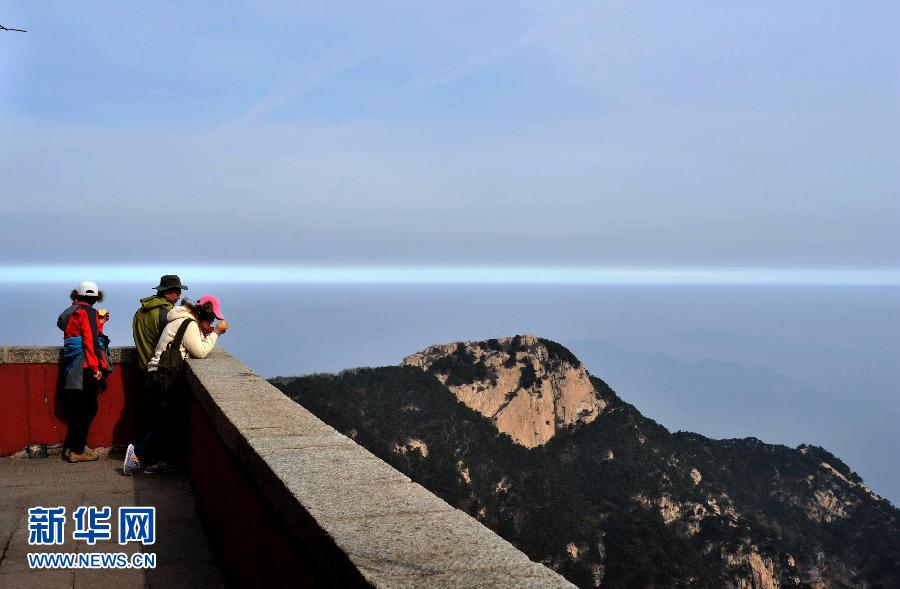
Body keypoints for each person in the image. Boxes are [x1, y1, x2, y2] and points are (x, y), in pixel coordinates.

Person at [124, 295, 229, 475]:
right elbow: (201, 351)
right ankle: (137, 452)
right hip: (165, 378)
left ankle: (160, 462)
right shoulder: (189, 323)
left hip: (157, 375)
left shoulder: (181, 319)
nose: (212, 322)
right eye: (212, 319)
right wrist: (216, 333)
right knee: (165, 423)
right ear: (204, 314)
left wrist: (204, 333)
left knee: (165, 422)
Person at [57, 281, 111, 463]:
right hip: (86, 366)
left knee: (78, 408)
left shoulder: (72, 311)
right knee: (88, 408)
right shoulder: (88, 312)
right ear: (95, 298)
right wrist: (97, 368)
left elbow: (80, 334)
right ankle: (77, 451)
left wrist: (100, 324)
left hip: (72, 365)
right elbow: (90, 341)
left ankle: (70, 448)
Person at [132, 275, 189, 371]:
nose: (179, 297)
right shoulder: (166, 313)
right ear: (166, 292)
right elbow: (169, 342)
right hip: (156, 369)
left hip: (141, 366)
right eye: (177, 293)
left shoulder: (140, 311)